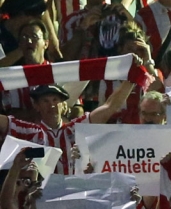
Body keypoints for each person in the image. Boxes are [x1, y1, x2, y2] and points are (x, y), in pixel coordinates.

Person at [0, 74, 146, 173]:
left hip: (75, 199)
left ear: (63, 105)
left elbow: (110, 107)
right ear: (36, 106)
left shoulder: (75, 129)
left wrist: (133, 77)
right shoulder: (30, 132)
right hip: (42, 202)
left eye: (55, 100)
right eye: (45, 101)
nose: (51, 105)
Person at [59, 0, 131, 62]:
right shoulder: (72, 20)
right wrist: (83, 26)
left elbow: (140, 43)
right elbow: (67, 56)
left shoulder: (119, 14)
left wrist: (130, 19)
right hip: (86, 72)